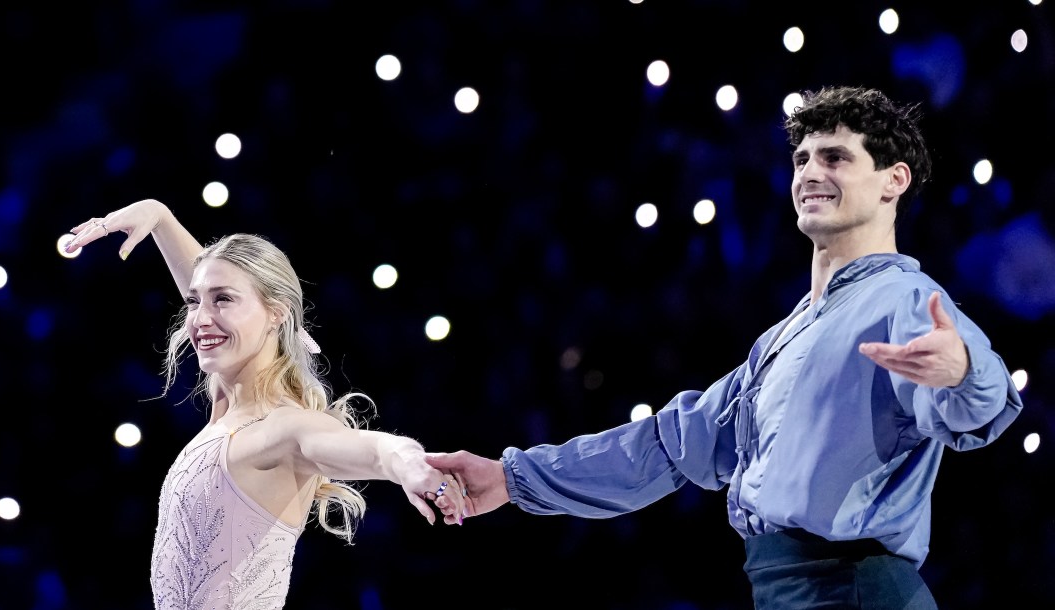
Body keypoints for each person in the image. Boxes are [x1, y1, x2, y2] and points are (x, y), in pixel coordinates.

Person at [425, 85, 1024, 609]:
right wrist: (512, 477)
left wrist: (964, 371)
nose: (810, 173)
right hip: (789, 591)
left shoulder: (905, 299)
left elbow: (982, 404)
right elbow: (663, 446)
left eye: (836, 157)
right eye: (802, 159)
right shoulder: (782, 337)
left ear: (895, 180)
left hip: (856, 592)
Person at [63, 199, 466, 609]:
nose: (201, 318)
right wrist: (159, 217)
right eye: (193, 301)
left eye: (222, 300)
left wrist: (410, 465)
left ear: (276, 314)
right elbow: (212, 289)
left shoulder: (280, 429)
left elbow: (379, 450)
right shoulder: (228, 407)